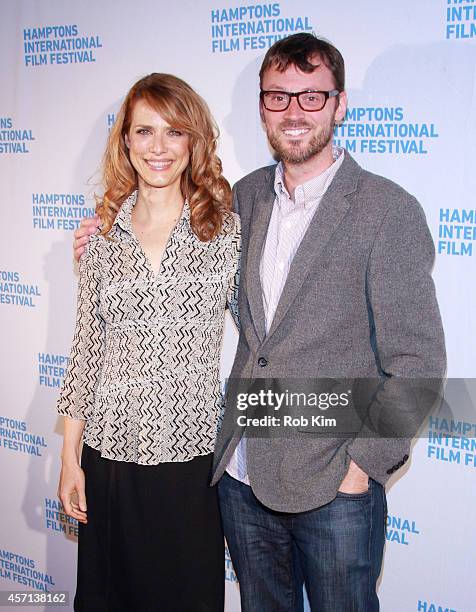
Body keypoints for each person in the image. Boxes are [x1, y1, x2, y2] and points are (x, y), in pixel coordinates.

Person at [74, 34, 446, 612]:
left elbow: (419, 365)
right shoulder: (238, 204)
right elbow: (164, 277)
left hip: (333, 486)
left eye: (311, 96)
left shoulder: (386, 210)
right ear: (262, 107)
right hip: (241, 480)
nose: (294, 112)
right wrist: (102, 233)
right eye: (278, 97)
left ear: (340, 104)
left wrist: (362, 468)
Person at [58, 72, 240, 612]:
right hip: (109, 455)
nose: (158, 148)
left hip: (191, 458)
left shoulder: (225, 229)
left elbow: (264, 333)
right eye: (143, 132)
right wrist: (70, 458)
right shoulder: (103, 237)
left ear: (194, 140)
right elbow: (85, 351)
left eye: (173, 132)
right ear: (125, 142)